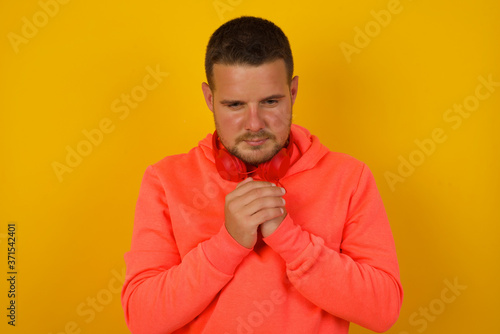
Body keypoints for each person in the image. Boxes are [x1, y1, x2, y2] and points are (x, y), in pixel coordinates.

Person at [121, 16, 403, 334]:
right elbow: (142, 320)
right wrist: (227, 243)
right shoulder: (164, 180)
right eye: (235, 105)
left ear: (293, 91)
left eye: (270, 101)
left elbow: (384, 310)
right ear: (210, 99)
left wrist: (289, 239)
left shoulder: (349, 178)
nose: (254, 124)